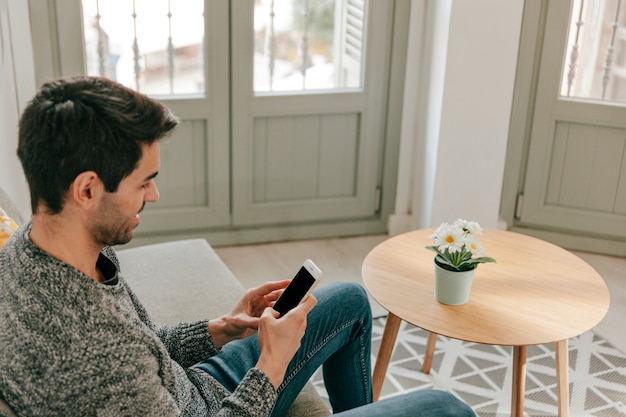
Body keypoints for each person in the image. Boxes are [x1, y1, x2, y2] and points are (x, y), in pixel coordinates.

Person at [0, 75, 475, 417]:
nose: (154, 195)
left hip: (188, 393)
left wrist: (222, 329)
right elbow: (121, 359)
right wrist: (272, 361)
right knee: (447, 407)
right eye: (143, 182)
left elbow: (140, 350)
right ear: (87, 189)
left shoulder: (35, 251)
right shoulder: (90, 347)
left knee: (349, 301)